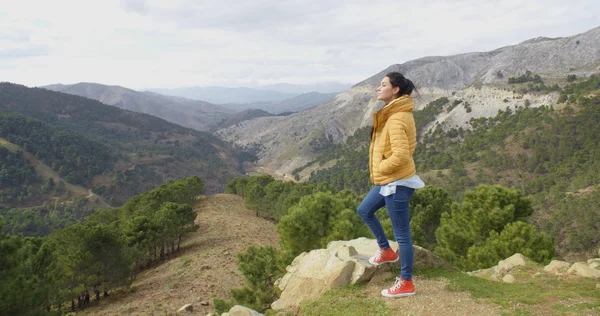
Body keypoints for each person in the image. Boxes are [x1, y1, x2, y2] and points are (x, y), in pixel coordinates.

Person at [357, 71, 424, 298]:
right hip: (389, 180)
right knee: (364, 210)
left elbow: (402, 157)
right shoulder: (392, 113)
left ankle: (406, 282)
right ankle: (386, 250)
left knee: (402, 235)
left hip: (397, 182)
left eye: (383, 84)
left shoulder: (396, 118)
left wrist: (380, 168)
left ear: (395, 89)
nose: (378, 88)